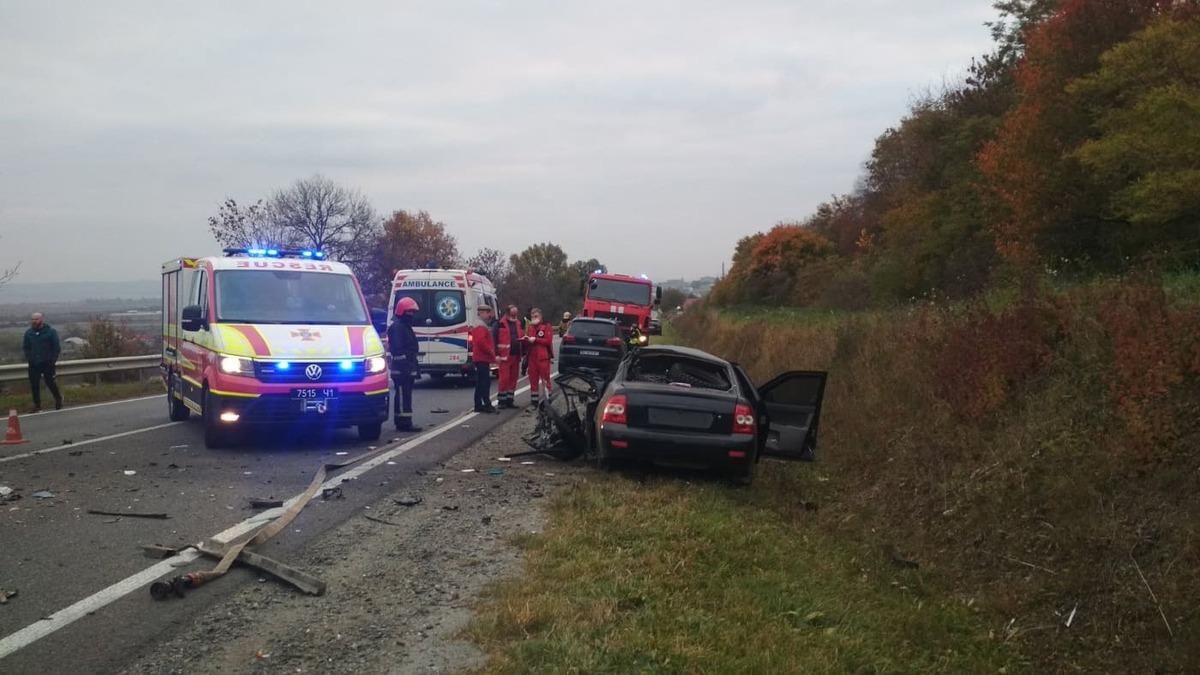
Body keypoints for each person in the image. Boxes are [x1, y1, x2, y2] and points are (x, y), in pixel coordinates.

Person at [387, 297, 422, 432]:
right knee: (402, 395)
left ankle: (405, 420)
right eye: (409, 312)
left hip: (407, 367)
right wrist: (406, 364)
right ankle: (404, 422)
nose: (412, 315)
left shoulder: (403, 326)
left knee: (405, 395)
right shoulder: (398, 327)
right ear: (402, 312)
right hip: (402, 369)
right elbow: (397, 349)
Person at [23, 312, 63, 412]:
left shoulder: (50, 332)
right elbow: (26, 347)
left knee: (50, 383)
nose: (34, 321)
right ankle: (37, 405)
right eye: (32, 319)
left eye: (36, 319)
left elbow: (56, 348)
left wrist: (52, 361)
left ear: (42, 320)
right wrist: (29, 358)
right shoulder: (29, 333)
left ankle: (58, 399)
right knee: (34, 385)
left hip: (47, 363)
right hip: (34, 364)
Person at [469, 305, 498, 413]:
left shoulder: (479, 326)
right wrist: (491, 353)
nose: (489, 315)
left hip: (480, 358)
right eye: (487, 312)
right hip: (482, 358)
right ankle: (486, 404)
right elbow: (482, 342)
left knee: (481, 382)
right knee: (484, 382)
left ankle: (478, 404)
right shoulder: (481, 327)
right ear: (481, 313)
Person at [524, 308, 554, 408]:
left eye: (536, 316)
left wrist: (536, 340)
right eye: (532, 317)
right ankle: (534, 401)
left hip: (543, 357)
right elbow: (528, 339)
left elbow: (548, 341)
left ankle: (548, 399)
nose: (534, 318)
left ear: (541, 316)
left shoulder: (546, 326)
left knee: (545, 379)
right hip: (532, 357)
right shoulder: (530, 327)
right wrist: (526, 340)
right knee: (533, 379)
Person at [494, 305, 522, 409]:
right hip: (504, 356)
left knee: (513, 379)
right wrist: (496, 354)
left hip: (515, 355)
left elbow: (520, 336)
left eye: (516, 314)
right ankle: (502, 401)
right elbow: (494, 339)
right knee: (504, 379)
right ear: (507, 313)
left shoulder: (518, 323)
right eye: (513, 314)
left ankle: (510, 400)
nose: (514, 316)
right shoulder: (499, 324)